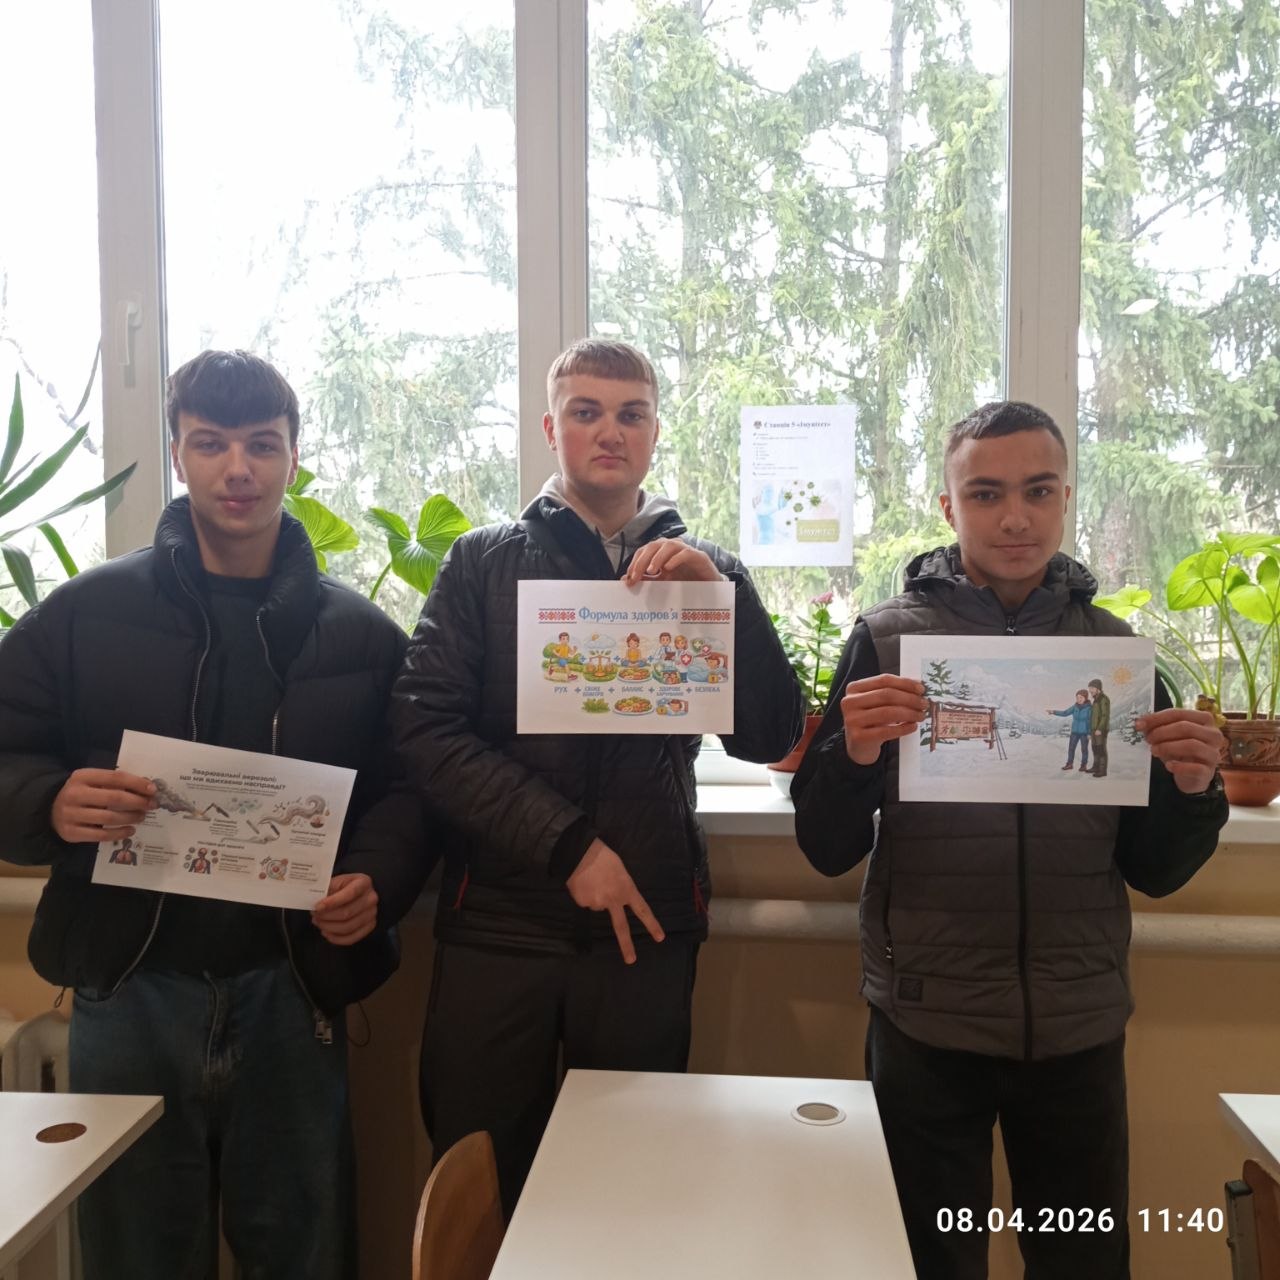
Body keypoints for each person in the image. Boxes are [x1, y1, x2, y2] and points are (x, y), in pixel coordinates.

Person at [0, 349, 430, 1280]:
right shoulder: (82, 615)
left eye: (262, 445)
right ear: (178, 453)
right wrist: (49, 801)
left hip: (294, 991)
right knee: (134, 1254)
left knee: (305, 1252)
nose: (239, 469)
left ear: (294, 456)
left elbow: (411, 789)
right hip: (128, 988)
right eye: (211, 444)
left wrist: (378, 880)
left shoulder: (363, 636)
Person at [790, 400, 1227, 1280]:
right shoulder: (886, 641)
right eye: (986, 493)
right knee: (930, 1262)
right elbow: (826, 844)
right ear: (948, 507)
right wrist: (854, 754)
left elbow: (1155, 870)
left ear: (1066, 497)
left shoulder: (1119, 656)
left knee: (1080, 1263)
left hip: (1076, 1030)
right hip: (926, 1024)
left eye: (1038, 490)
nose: (1015, 517)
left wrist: (1194, 789)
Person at [392, 338, 804, 1213]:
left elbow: (770, 735)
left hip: (645, 927)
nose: (610, 431)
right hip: (498, 923)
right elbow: (424, 730)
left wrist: (717, 605)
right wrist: (569, 846)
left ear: (654, 431)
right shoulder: (481, 562)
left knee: (629, 1189)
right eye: (586, 412)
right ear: (552, 429)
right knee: (478, 1184)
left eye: (630, 414)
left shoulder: (710, 571)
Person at [1047, 689, 1092, 771]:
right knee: (1071, 748)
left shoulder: (1089, 708)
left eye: (1081, 697)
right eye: (1077, 697)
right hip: (1074, 732)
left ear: (1085, 698)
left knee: (1084, 749)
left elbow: (1090, 721)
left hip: (1084, 732)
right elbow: (1065, 713)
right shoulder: (1075, 707)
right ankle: (1069, 764)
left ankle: (1083, 765)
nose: (1078, 699)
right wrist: (1053, 712)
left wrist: (1089, 733)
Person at [1090, 677, 1112, 777]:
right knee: (1095, 748)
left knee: (1101, 750)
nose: (1090, 690)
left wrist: (1100, 728)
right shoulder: (1095, 700)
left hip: (1100, 730)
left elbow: (1104, 715)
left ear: (1098, 688)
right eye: (1089, 688)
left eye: (1092, 688)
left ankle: (1102, 771)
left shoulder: (1103, 699)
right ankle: (1095, 767)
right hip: (1094, 729)